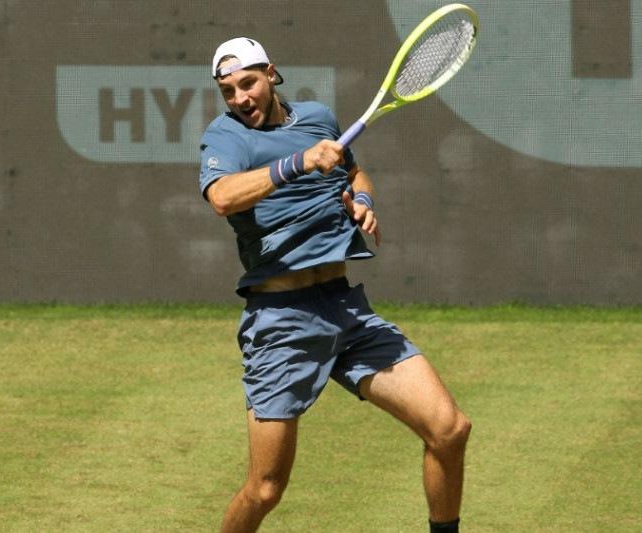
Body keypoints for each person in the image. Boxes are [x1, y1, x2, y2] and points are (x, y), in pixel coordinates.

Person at [199, 37, 472, 533]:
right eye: (228, 90)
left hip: (345, 309)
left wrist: (362, 201)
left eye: (248, 83)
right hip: (281, 322)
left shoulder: (319, 118)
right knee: (265, 489)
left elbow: (356, 173)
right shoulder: (225, 137)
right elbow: (222, 197)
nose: (240, 98)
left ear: (271, 74)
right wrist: (296, 163)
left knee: (450, 430)